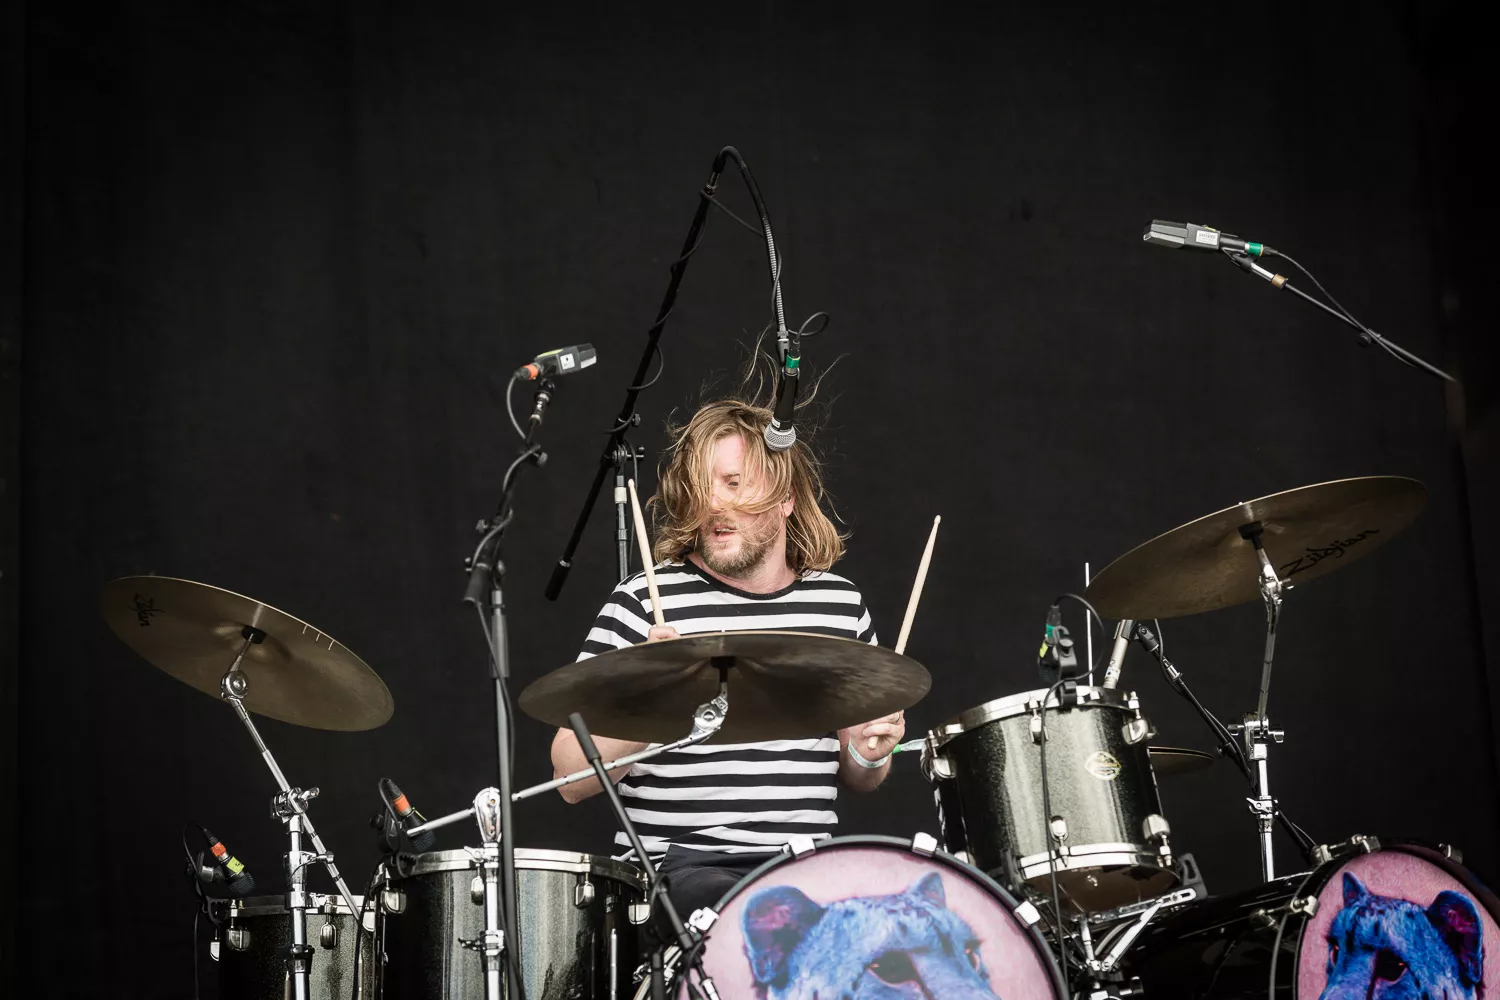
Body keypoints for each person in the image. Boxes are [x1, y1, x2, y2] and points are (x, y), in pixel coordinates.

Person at [549, 398, 905, 928]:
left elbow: (860, 774)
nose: (714, 503)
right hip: (677, 875)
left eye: (734, 484)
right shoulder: (644, 601)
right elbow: (568, 778)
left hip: (805, 870)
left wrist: (870, 754)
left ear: (785, 497)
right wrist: (651, 694)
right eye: (703, 487)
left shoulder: (839, 605)